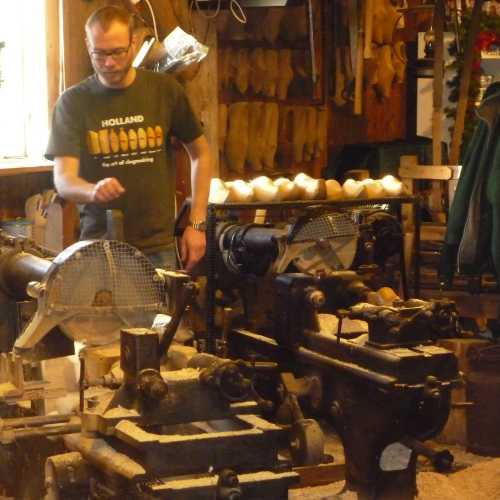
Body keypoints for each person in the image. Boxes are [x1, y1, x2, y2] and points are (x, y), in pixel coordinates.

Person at [45, 5, 212, 272]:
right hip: (100, 248)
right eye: (99, 54)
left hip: (158, 247)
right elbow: (64, 180)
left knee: (160, 315)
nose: (109, 63)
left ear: (133, 42)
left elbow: (200, 153)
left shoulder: (165, 91)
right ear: (88, 45)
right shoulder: (73, 102)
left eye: (117, 52)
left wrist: (197, 224)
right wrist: (92, 190)